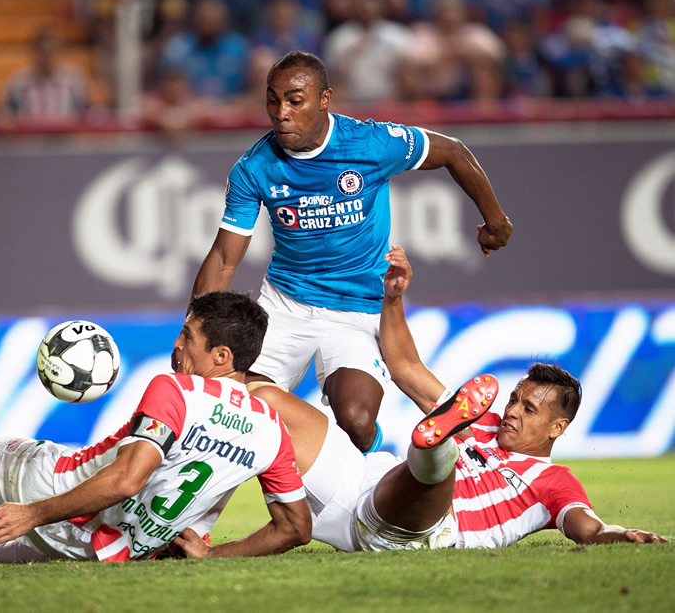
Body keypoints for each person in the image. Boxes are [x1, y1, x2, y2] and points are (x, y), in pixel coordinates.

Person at [174, 247, 668, 556]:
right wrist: (392, 298)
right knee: (262, 398)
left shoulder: (555, 481)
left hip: (422, 528)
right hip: (357, 484)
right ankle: (173, 511)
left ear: (558, 429)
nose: (513, 411)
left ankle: (434, 447)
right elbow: (406, 366)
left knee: (435, 466)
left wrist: (616, 535)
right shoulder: (486, 421)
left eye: (529, 409)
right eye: (515, 399)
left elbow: (585, 526)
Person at [190, 50, 513, 454]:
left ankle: (383, 470)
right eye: (273, 100)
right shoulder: (254, 168)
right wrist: (194, 331)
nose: (281, 113)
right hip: (284, 307)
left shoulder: (370, 144)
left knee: (357, 421)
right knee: (238, 416)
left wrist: (495, 220)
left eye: (295, 100)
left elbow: (452, 150)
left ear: (324, 99)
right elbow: (224, 259)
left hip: (358, 311)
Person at [0, 291, 310, 567]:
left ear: (220, 356)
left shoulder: (176, 391)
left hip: (61, 496)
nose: (176, 344)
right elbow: (295, 528)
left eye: (187, 335)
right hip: (127, 546)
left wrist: (33, 513)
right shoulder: (271, 428)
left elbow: (125, 479)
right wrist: (212, 554)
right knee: (89, 530)